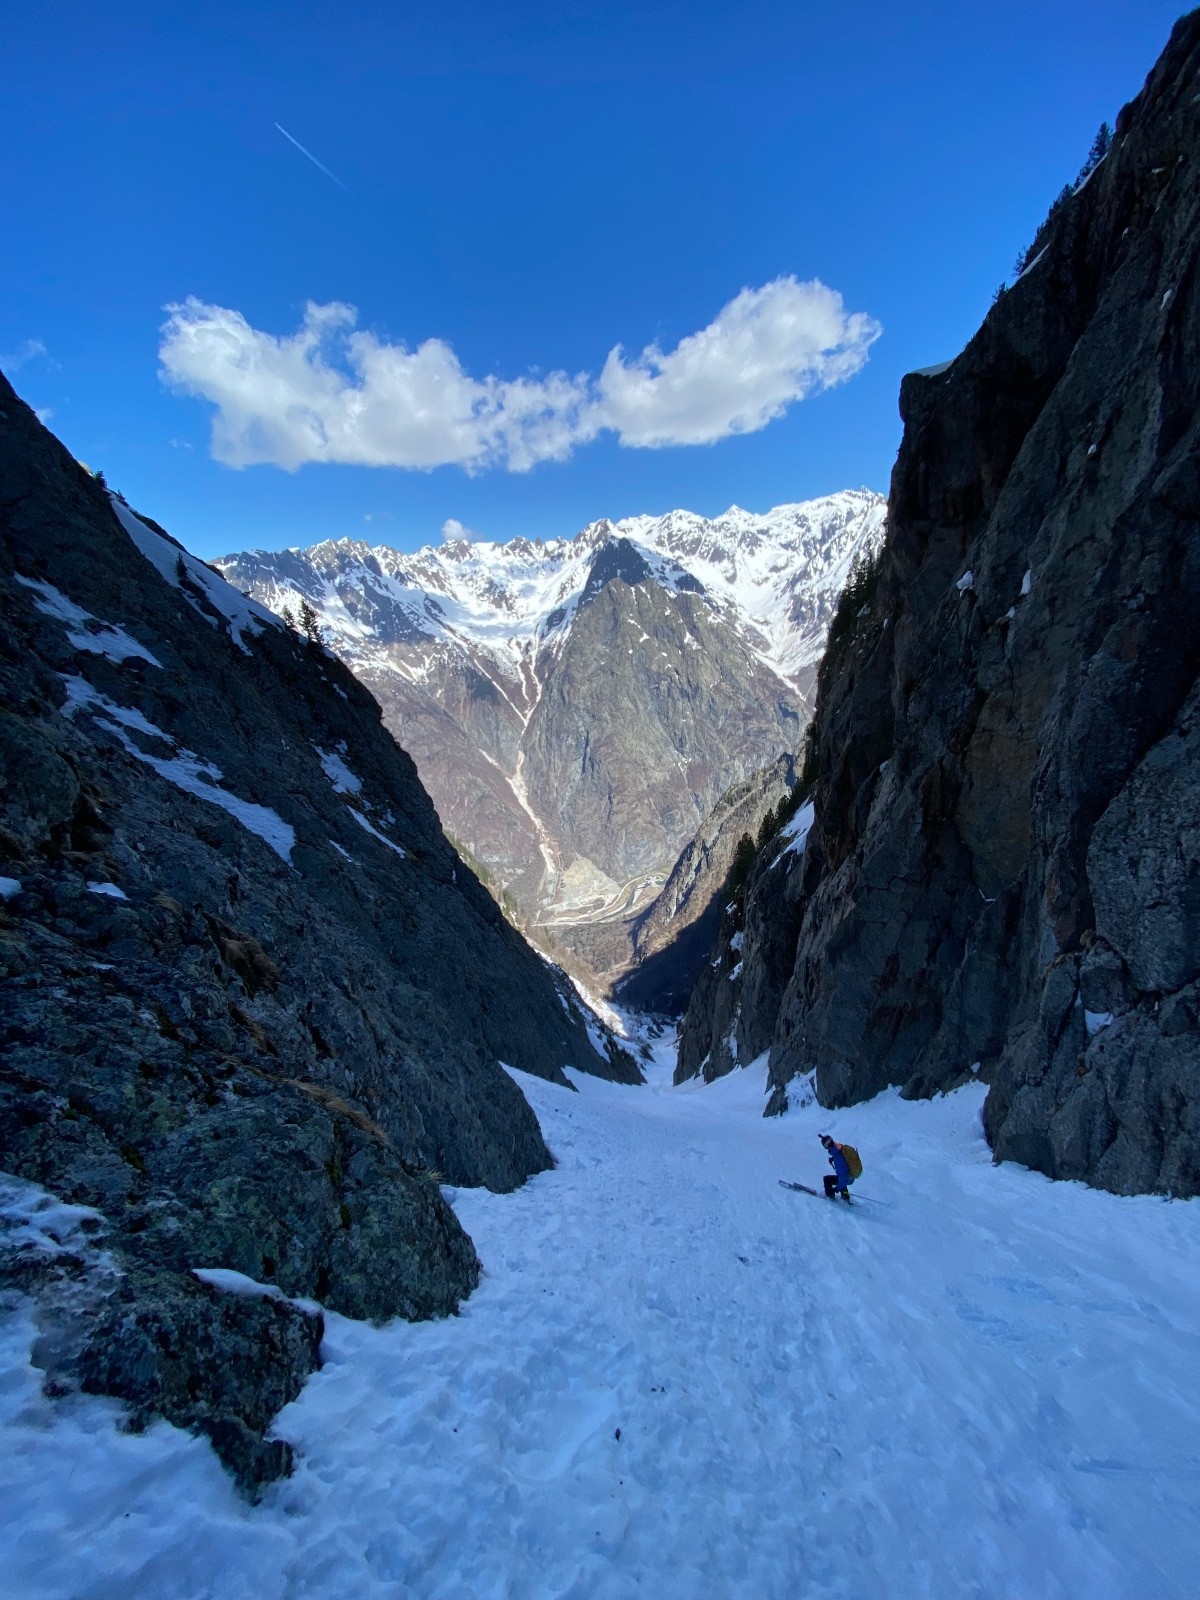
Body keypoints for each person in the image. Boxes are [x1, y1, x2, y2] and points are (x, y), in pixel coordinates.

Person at [820, 1134, 854, 1201]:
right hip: (850, 1176)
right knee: (841, 1179)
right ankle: (846, 1198)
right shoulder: (838, 1149)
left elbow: (844, 1178)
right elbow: (841, 1158)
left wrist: (836, 1189)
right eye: (826, 1145)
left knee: (827, 1179)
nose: (828, 1146)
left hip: (847, 1178)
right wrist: (833, 1158)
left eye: (827, 1145)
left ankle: (830, 1197)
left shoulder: (838, 1157)